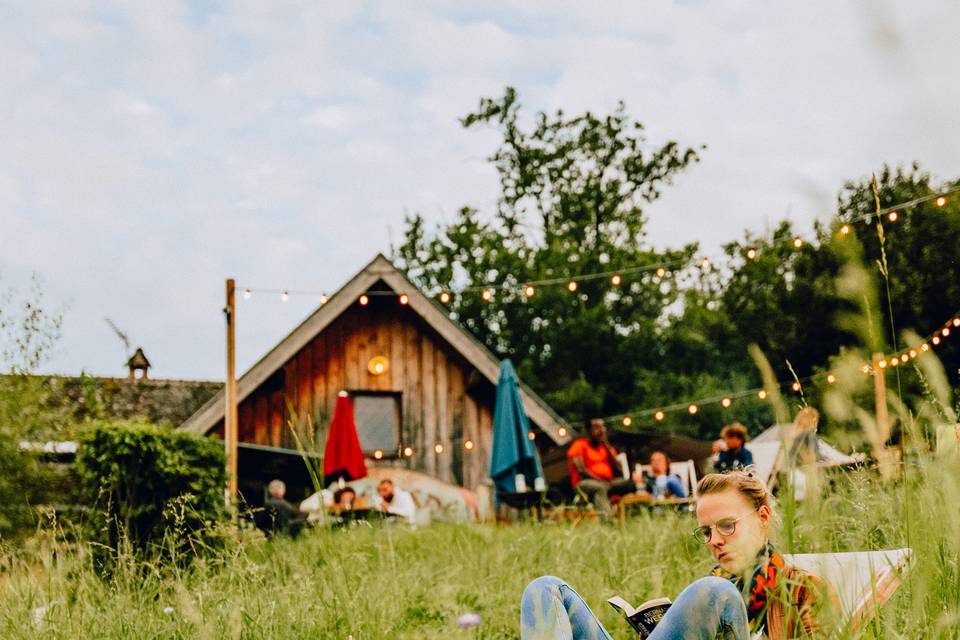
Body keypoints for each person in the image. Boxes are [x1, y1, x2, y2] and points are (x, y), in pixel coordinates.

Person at [520, 469, 838, 639]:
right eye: (707, 531)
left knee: (714, 591)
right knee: (545, 589)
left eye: (727, 525)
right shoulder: (712, 588)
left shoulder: (804, 590)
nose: (714, 541)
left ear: (763, 518)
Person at [566, 418, 638, 520]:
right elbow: (581, 469)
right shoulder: (579, 445)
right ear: (588, 431)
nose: (601, 430)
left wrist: (606, 444)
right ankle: (607, 521)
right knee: (599, 488)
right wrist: (601, 481)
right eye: (597, 427)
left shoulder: (604, 447)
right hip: (584, 483)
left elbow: (619, 468)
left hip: (607, 482)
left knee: (628, 484)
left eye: (603, 427)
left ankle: (633, 517)